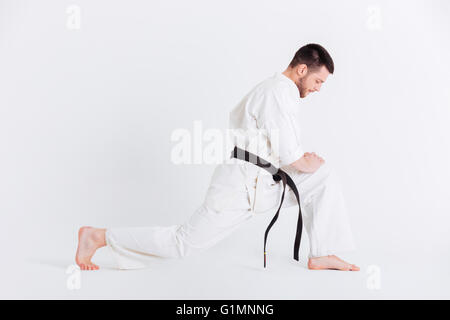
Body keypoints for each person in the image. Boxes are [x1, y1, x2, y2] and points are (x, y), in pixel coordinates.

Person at [75, 43, 359, 271]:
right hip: (238, 187)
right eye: (318, 80)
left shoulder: (277, 91)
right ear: (301, 69)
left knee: (323, 178)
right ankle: (99, 236)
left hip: (263, 183)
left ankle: (322, 253)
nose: (318, 88)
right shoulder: (277, 91)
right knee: (183, 244)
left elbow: (276, 145)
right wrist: (301, 160)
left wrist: (301, 161)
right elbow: (288, 151)